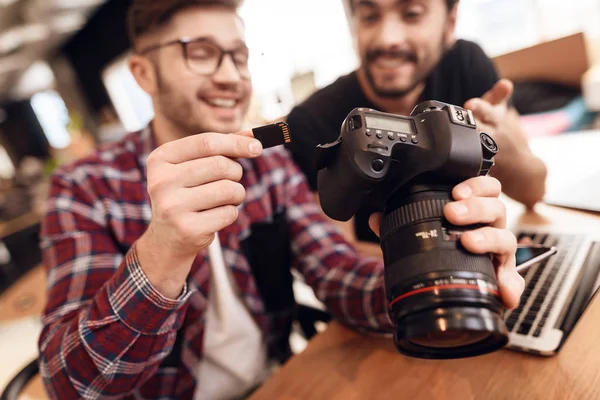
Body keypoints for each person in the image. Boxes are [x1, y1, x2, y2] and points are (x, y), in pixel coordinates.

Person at [38, 0, 524, 399]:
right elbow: (70, 383)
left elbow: (334, 271)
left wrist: (434, 276)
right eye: (201, 52)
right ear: (143, 73)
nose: (231, 77)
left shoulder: (266, 163)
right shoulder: (84, 187)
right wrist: (162, 252)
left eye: (240, 56)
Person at [286, 0, 548, 247]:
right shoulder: (311, 121)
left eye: (412, 13)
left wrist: (491, 144)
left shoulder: (466, 65)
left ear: (450, 21)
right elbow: (337, 253)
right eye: (369, 16)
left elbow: (534, 191)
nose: (387, 38)